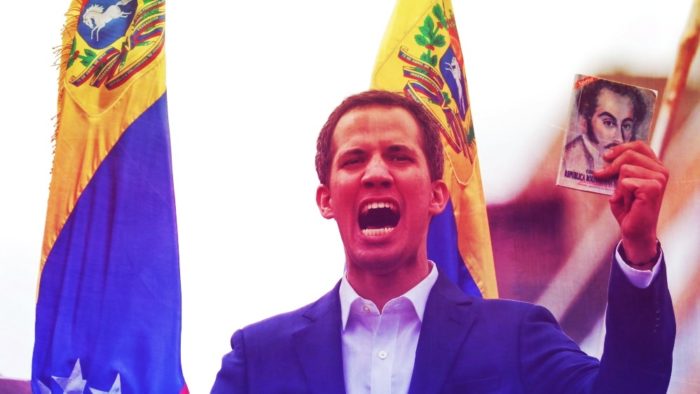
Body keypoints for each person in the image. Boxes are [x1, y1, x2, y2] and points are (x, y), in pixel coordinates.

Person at [212, 90, 674, 393]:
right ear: (327, 199)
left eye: (399, 155)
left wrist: (638, 248)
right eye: (354, 160)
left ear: (436, 196)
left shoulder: (516, 336)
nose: (376, 173)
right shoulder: (258, 359)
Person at [564, 78, 648, 175]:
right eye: (608, 123)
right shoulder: (564, 161)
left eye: (626, 126)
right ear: (584, 122)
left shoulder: (633, 167)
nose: (619, 139)